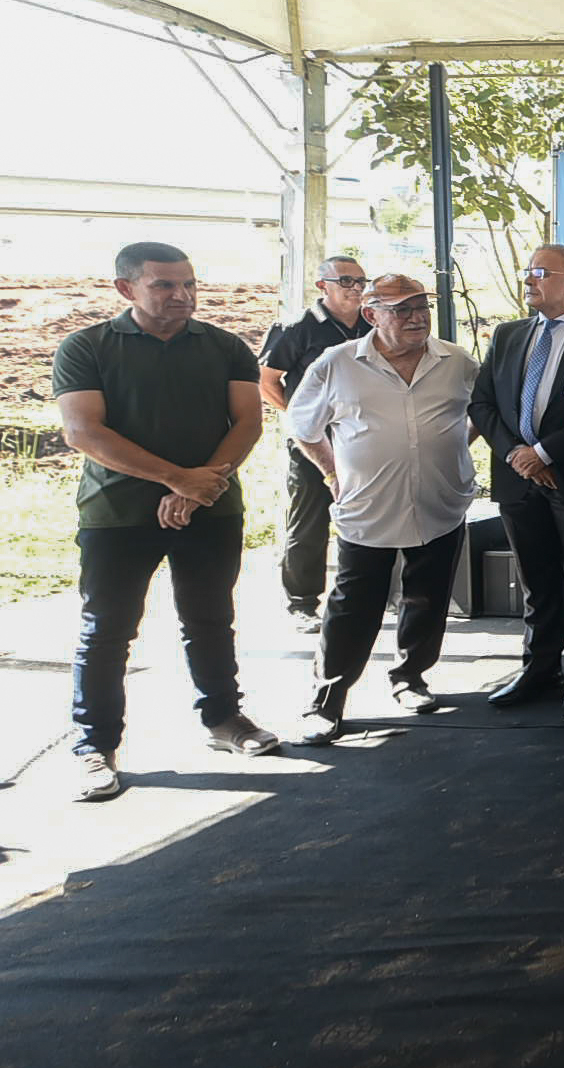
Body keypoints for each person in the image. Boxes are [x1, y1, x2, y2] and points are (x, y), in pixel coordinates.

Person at [57, 241, 278, 799]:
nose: (182, 295)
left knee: (210, 619)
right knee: (107, 630)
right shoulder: (86, 346)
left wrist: (200, 489)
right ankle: (94, 746)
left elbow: (247, 422)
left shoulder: (225, 346)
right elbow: (84, 431)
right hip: (116, 514)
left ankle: (224, 720)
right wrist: (178, 480)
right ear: (126, 288)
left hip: (211, 507)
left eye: (188, 284)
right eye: (164, 285)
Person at [287, 275, 480, 742]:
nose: (417, 317)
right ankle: (327, 699)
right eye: (401, 309)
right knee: (354, 605)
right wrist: (332, 473)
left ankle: (410, 677)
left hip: (439, 502)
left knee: (429, 598)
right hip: (369, 506)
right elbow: (303, 426)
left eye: (421, 307)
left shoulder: (456, 361)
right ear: (371, 314)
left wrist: (452, 449)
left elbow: (481, 414)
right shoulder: (337, 363)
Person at [470, 244, 564, 710]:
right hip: (517, 477)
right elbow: (482, 404)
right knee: (535, 578)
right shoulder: (507, 334)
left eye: (540, 272)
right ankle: (539, 666)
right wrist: (517, 454)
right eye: (528, 272)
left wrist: (544, 452)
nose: (529, 280)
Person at [257, 256, 371, 630]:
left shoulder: (372, 323)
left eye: (361, 281)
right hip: (313, 444)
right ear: (323, 285)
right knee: (309, 520)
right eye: (346, 281)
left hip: (363, 438)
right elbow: (267, 381)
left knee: (370, 516)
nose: (356, 288)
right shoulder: (297, 328)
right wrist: (303, 420)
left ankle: (368, 596)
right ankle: (302, 603)